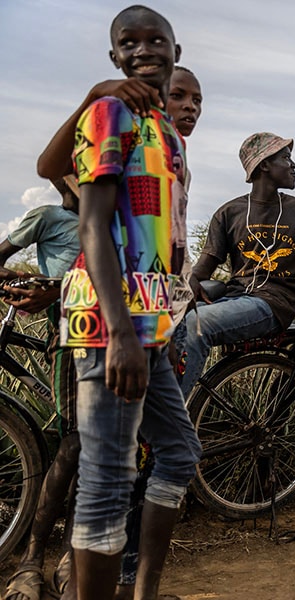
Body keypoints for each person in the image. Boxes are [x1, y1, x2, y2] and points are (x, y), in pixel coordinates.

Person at [26, 63, 204, 600]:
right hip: (112, 318)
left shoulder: (171, 149)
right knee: (104, 474)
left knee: (176, 451)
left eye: (197, 98)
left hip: (153, 319)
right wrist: (93, 97)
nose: (189, 106)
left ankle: (141, 589)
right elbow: (56, 176)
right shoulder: (115, 124)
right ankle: (55, 568)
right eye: (179, 95)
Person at [180, 132, 295, 398]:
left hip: (274, 304)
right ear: (264, 165)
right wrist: (183, 288)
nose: (294, 165)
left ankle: (165, 425)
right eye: (286, 158)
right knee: (159, 323)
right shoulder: (230, 212)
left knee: (197, 325)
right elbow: (205, 265)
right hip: (235, 298)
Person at [0, 177, 80, 600]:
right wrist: (18, 281)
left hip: (105, 337)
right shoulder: (49, 216)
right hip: (67, 334)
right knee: (75, 443)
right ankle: (33, 559)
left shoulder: (112, 221)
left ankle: (67, 558)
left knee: (85, 445)